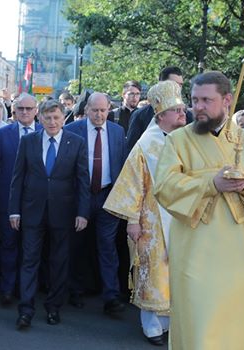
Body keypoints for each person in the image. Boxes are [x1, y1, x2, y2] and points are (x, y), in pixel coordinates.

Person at [154, 71, 244, 349]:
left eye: (206, 100)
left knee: (237, 329)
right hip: (195, 252)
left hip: (241, 254)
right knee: (198, 328)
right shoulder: (177, 141)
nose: (197, 107)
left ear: (227, 100)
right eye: (194, 100)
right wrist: (211, 183)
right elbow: (164, 186)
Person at [103, 80, 187, 346]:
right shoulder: (145, 145)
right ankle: (152, 326)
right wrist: (132, 220)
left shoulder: (187, 140)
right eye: (178, 111)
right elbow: (133, 184)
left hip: (182, 218)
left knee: (176, 270)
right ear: (161, 115)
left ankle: (172, 322)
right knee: (152, 271)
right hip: (151, 221)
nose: (184, 115)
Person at [9, 100, 90, 329]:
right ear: (40, 119)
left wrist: (83, 212)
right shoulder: (28, 141)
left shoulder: (76, 142)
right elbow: (17, 178)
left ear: (63, 117)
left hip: (64, 213)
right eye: (47, 118)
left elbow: (82, 180)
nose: (52, 122)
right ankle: (25, 310)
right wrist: (14, 211)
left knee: (59, 262)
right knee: (29, 260)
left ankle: (53, 307)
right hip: (31, 211)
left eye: (56, 117)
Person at [65, 93, 127, 315]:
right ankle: (75, 290)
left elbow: (121, 164)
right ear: (87, 109)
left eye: (103, 110)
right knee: (77, 245)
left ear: (109, 109)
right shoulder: (73, 130)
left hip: (107, 196)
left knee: (107, 247)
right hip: (80, 197)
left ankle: (111, 296)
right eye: (95, 110)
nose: (99, 115)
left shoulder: (118, 132)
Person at [0, 93, 43, 306]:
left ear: (36, 111)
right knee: (9, 245)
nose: (25, 112)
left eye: (29, 109)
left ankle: (26, 289)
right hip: (8, 198)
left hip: (37, 201)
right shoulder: (4, 134)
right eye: (21, 108)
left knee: (31, 248)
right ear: (14, 110)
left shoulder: (44, 131)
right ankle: (7, 288)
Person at [126, 66, 193, 149]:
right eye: (173, 84)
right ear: (160, 84)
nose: (178, 88)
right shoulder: (140, 115)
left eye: (180, 85)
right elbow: (131, 149)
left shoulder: (188, 116)